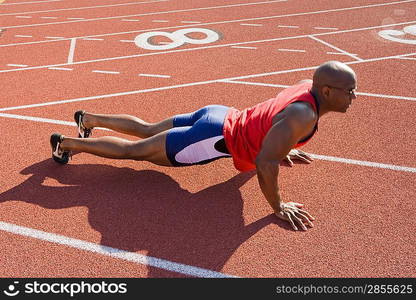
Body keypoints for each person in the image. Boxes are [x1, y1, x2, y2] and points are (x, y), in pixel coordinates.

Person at [50, 60, 357, 231]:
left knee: (146, 129)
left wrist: (283, 143)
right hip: (212, 138)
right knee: (134, 151)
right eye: (349, 91)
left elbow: (275, 116)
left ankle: (88, 118)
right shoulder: (303, 115)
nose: (353, 96)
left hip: (219, 114)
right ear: (327, 91)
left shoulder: (307, 85)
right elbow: (265, 163)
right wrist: (278, 206)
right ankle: (66, 144)